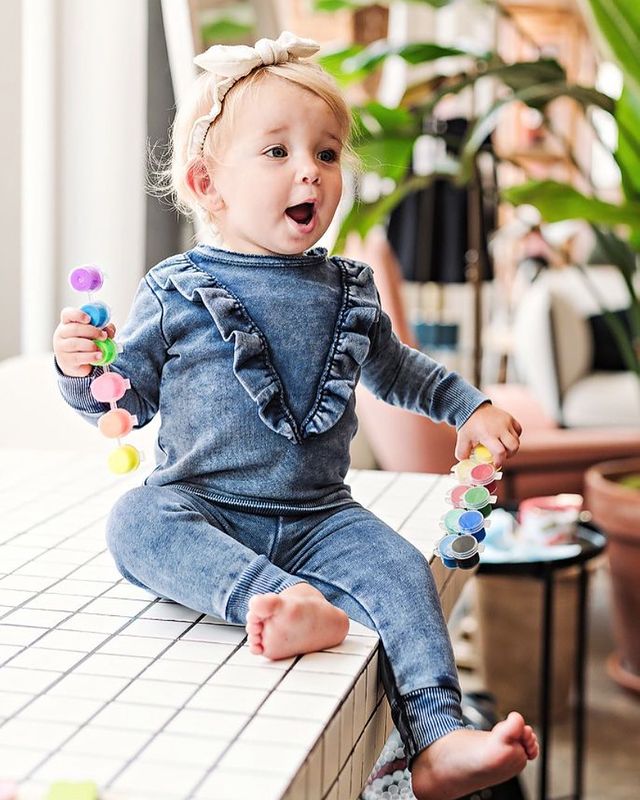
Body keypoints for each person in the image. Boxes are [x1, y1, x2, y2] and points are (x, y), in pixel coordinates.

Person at [52, 31, 537, 799]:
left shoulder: (349, 288)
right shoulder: (176, 287)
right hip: (203, 508)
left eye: (327, 152)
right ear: (207, 183)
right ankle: (277, 599)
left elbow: (398, 371)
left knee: (400, 569)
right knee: (133, 522)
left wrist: (466, 405)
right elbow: (126, 401)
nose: (310, 168)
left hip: (321, 516)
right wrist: (83, 371)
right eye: (277, 151)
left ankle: (439, 737)